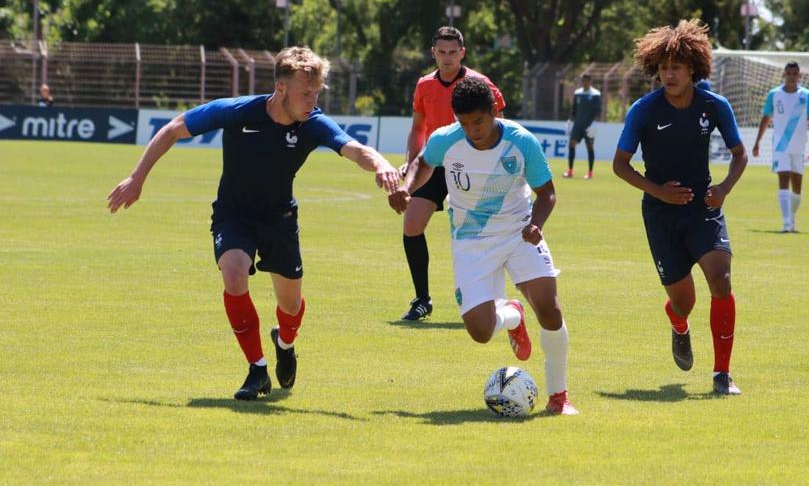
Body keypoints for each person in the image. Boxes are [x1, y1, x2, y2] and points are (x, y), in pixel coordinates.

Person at [107, 47, 400, 400]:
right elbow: (173, 129)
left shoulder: (313, 123)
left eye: (317, 93)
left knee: (291, 306)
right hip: (235, 214)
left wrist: (382, 164)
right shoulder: (237, 112)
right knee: (233, 274)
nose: (312, 100)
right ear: (280, 89)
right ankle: (257, 368)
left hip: (280, 219)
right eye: (305, 93)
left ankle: (285, 342)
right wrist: (137, 178)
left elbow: (354, 149)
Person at [389, 77, 577, 415]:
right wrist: (407, 187)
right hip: (471, 242)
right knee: (480, 331)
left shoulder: (522, 142)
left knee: (549, 308)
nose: (472, 130)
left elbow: (546, 192)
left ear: (493, 111)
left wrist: (537, 224)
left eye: (478, 121)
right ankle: (512, 315)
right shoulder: (446, 139)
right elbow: (423, 163)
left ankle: (559, 397)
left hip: (519, 233)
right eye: (464, 123)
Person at [612, 20, 748, 395]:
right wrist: (657, 190)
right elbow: (620, 165)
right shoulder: (644, 109)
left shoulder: (714, 105)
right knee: (683, 302)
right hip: (660, 214)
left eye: (676, 68)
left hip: (703, 208)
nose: (668, 75)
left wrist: (723, 188)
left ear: (693, 68)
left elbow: (740, 155)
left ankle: (722, 374)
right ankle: (677, 321)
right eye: (663, 68)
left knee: (721, 278)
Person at [399, 26, 506, 322]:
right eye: (441, 52)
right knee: (412, 224)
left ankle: (486, 297)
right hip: (435, 164)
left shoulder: (479, 83)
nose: (447, 58)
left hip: (471, 166)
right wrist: (411, 162)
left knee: (476, 233)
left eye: (452, 52)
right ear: (433, 53)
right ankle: (422, 299)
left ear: (462, 53)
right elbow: (418, 129)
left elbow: (500, 125)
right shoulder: (424, 85)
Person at [752, 62, 809, 232]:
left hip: (799, 145)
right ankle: (787, 223)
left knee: (797, 188)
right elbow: (766, 118)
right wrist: (757, 142)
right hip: (780, 144)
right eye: (788, 73)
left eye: (794, 73)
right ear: (784, 75)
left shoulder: (806, 95)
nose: (791, 76)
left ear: (799, 76)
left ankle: (791, 218)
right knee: (783, 179)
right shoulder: (774, 94)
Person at [563, 73, 602, 179]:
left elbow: (598, 111)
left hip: (589, 126)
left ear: (590, 81)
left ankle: (590, 172)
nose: (585, 82)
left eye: (587, 81)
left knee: (589, 147)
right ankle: (570, 171)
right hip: (577, 125)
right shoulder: (577, 93)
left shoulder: (595, 94)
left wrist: (594, 123)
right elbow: (574, 110)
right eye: (583, 81)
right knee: (572, 145)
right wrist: (570, 122)